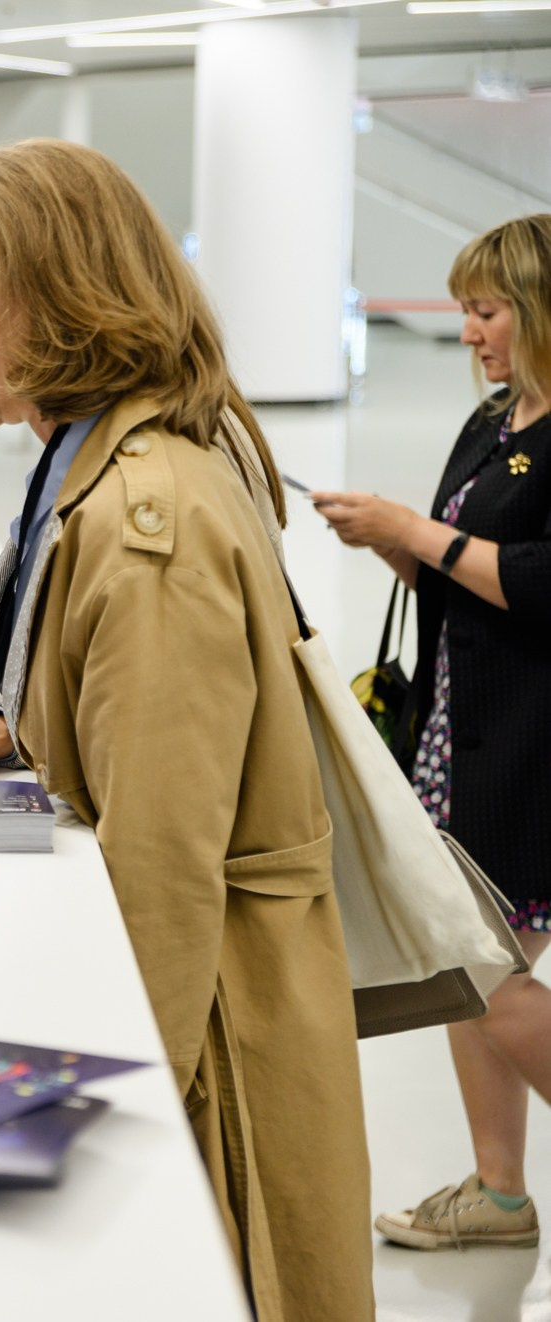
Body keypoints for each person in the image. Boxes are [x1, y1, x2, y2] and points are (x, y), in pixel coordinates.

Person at [0, 140, 372, 1321]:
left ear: (50, 287)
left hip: (212, 1041)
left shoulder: (147, 512)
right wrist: (10, 730)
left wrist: (94, 1125)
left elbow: (160, 869)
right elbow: (146, 736)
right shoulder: (108, 453)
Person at [317, 215, 551, 1252]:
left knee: (481, 973)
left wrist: (415, 531)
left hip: (537, 749)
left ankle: (500, 1191)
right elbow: (466, 576)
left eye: (486, 310)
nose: (468, 332)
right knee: (466, 963)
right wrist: (389, 541)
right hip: (467, 732)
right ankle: (499, 1192)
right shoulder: (496, 422)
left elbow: (541, 588)